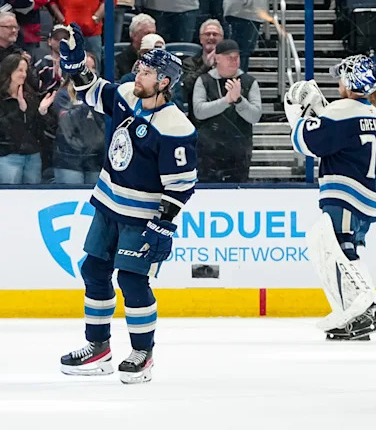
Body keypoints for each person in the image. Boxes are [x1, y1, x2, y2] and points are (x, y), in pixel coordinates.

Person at [58, 23, 197, 384]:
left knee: (133, 282)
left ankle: (142, 352)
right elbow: (90, 89)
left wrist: (163, 224)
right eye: (140, 68)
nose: (139, 74)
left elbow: (182, 184)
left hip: (141, 216)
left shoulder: (176, 127)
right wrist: (75, 60)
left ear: (164, 82)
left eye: (148, 72)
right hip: (107, 206)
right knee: (93, 271)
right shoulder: (126, 95)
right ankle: (98, 347)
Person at [286, 54, 376, 339]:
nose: (339, 82)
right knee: (344, 249)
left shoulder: (342, 111)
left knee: (339, 251)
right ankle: (354, 312)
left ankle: (366, 307)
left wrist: (296, 113)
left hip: (346, 192)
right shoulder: (369, 112)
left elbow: (308, 142)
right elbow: (339, 133)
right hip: (366, 194)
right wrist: (320, 108)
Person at [192, 39, 262, 182]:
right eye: (229, 57)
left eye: (236, 57)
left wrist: (239, 100)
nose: (234, 60)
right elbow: (199, 111)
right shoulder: (204, 80)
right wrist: (226, 101)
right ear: (217, 58)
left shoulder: (249, 82)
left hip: (239, 151)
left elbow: (255, 116)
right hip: (208, 150)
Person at [0, 53, 55, 185]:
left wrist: (42, 112)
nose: (24, 74)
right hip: (8, 156)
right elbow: (1, 126)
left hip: (32, 156)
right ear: (9, 71)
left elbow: (38, 127)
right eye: (20, 70)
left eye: (25, 71)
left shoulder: (30, 95)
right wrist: (19, 110)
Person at [51, 51, 104, 186]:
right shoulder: (62, 95)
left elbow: (104, 122)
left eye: (92, 68)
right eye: (85, 67)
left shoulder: (101, 95)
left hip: (95, 158)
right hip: (69, 159)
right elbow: (67, 123)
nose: (89, 72)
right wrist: (88, 104)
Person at [182, 19, 224, 107]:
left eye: (215, 34)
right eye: (207, 34)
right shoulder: (189, 62)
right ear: (201, 39)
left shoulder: (229, 62)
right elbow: (187, 87)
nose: (211, 37)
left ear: (222, 39)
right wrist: (206, 66)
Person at [115, 13, 156, 79]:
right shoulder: (118, 61)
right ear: (134, 35)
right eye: (147, 33)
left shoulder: (158, 59)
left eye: (154, 33)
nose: (152, 37)